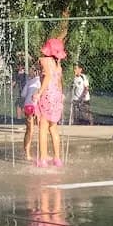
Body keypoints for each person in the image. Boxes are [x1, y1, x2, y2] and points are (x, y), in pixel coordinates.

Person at [36, 38, 66, 168]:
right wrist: (61, 96)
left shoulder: (44, 61)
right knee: (53, 128)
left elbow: (47, 77)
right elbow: (59, 82)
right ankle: (57, 159)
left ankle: (43, 159)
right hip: (56, 97)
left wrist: (39, 93)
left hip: (47, 95)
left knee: (43, 128)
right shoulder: (58, 64)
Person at [21, 63, 41, 162]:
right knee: (33, 130)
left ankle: (30, 153)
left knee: (31, 130)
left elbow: (23, 94)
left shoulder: (35, 81)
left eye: (31, 70)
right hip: (32, 105)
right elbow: (23, 94)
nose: (29, 72)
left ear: (36, 71)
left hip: (31, 105)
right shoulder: (33, 81)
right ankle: (29, 153)